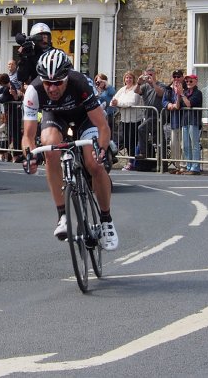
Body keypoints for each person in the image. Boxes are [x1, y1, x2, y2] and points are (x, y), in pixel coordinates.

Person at [21, 49, 116, 250]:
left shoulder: (81, 84)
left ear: (66, 78)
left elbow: (102, 126)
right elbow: (28, 136)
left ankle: (106, 220)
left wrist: (101, 148)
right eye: (47, 82)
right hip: (56, 117)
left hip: (85, 117)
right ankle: (62, 216)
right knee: (49, 147)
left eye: (57, 83)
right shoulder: (33, 91)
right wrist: (29, 156)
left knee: (94, 164)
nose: (52, 88)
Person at [110, 71, 144, 171]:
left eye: (130, 78)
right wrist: (115, 102)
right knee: (127, 141)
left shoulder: (135, 89)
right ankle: (130, 161)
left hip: (134, 119)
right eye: (126, 78)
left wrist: (119, 103)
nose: (128, 80)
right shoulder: (123, 89)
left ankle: (132, 162)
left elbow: (132, 102)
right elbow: (113, 99)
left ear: (133, 79)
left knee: (133, 141)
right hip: (124, 119)